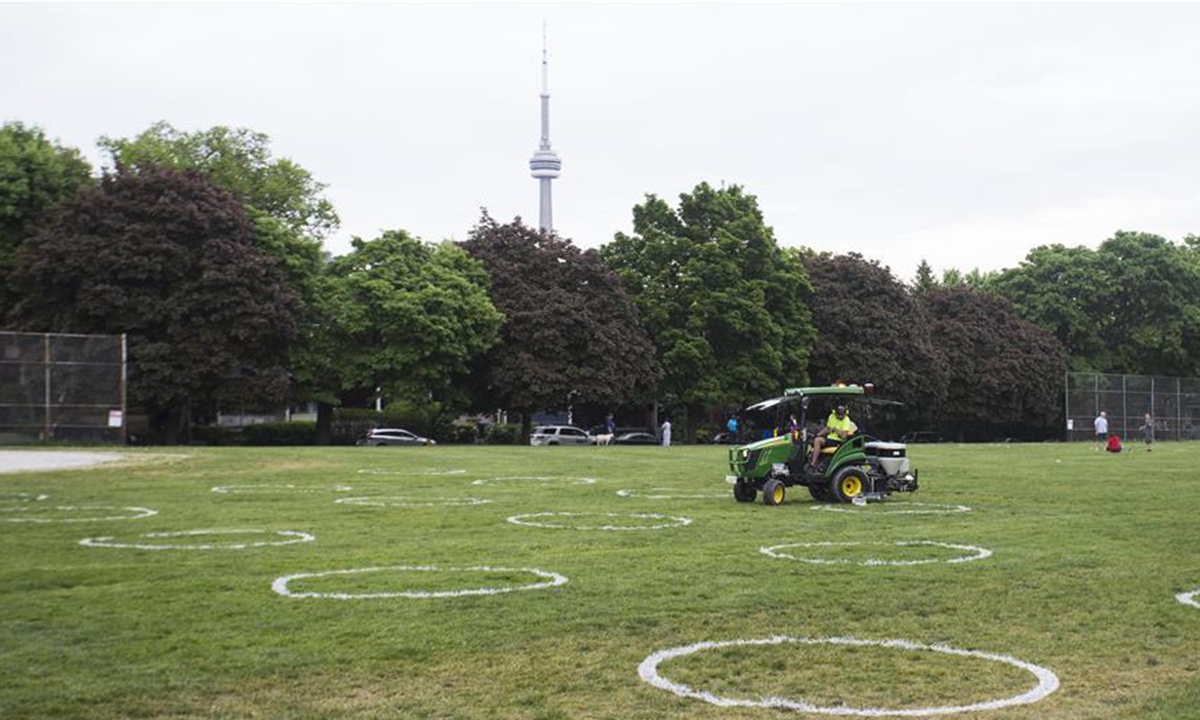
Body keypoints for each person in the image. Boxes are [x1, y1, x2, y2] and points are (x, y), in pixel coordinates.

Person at [808, 404, 857, 468]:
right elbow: (827, 428)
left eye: (842, 415)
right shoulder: (831, 416)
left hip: (838, 441)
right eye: (838, 415)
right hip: (829, 439)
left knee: (818, 440)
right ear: (835, 412)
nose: (840, 416)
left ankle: (813, 463)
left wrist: (835, 429)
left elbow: (844, 436)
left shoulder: (846, 420)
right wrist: (817, 434)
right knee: (812, 440)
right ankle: (811, 461)